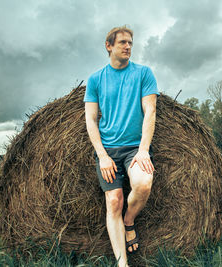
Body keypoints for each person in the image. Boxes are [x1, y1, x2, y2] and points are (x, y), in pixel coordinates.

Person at [84, 26, 159, 267]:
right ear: (109, 46)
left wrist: (144, 149)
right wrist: (102, 156)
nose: (128, 46)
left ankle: (129, 220)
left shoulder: (144, 74)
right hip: (108, 150)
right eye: (123, 42)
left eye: (130, 43)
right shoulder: (96, 79)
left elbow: (150, 111)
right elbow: (90, 120)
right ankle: (121, 263)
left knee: (143, 183)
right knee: (114, 199)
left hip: (135, 148)